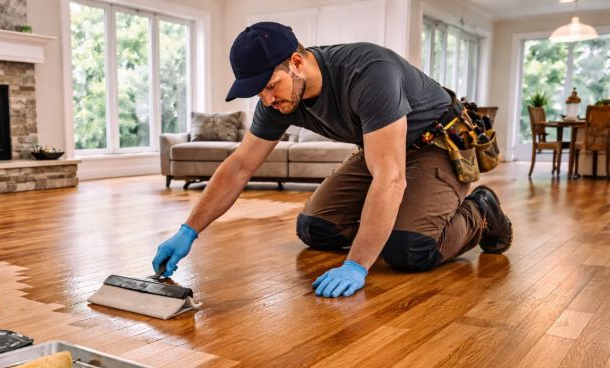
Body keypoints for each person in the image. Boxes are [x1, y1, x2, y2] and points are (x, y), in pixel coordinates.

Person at [152, 22, 512, 298]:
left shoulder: (368, 73)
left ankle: (481, 210)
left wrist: (356, 264)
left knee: (410, 249)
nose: (266, 100)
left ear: (296, 62)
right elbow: (240, 166)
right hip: (382, 147)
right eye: (258, 92)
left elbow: (390, 178)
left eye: (270, 86)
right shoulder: (279, 99)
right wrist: (189, 230)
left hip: (437, 144)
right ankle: (391, 228)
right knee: (315, 228)